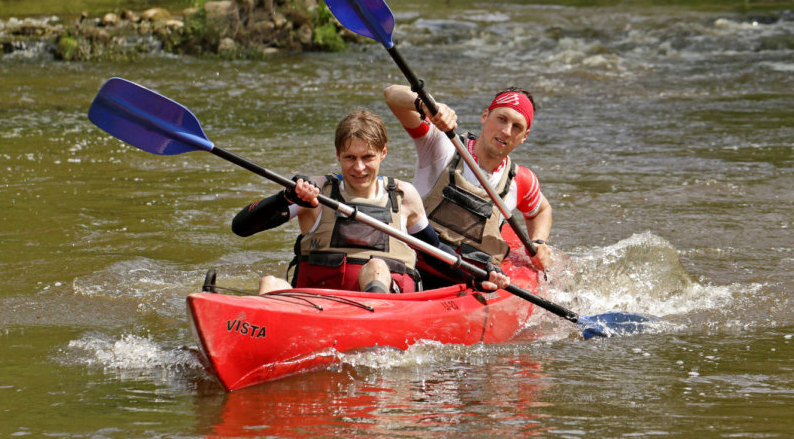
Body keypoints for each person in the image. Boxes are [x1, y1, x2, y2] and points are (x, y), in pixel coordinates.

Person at [232, 109, 511, 294]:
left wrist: (475, 275)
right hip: (316, 305)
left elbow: (433, 251)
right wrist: (286, 197)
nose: (359, 168)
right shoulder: (317, 190)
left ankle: (371, 336)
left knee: (376, 267)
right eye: (350, 158)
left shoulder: (404, 196)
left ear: (383, 153)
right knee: (269, 283)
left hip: (385, 308)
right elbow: (242, 227)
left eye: (368, 157)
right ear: (338, 155)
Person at [383, 85, 554, 288]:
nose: (506, 131)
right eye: (501, 119)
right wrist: (426, 105)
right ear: (485, 116)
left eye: (517, 126)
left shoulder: (522, 181)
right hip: (414, 269)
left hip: (470, 283)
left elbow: (540, 210)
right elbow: (391, 95)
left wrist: (539, 242)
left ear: (524, 136)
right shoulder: (441, 144)